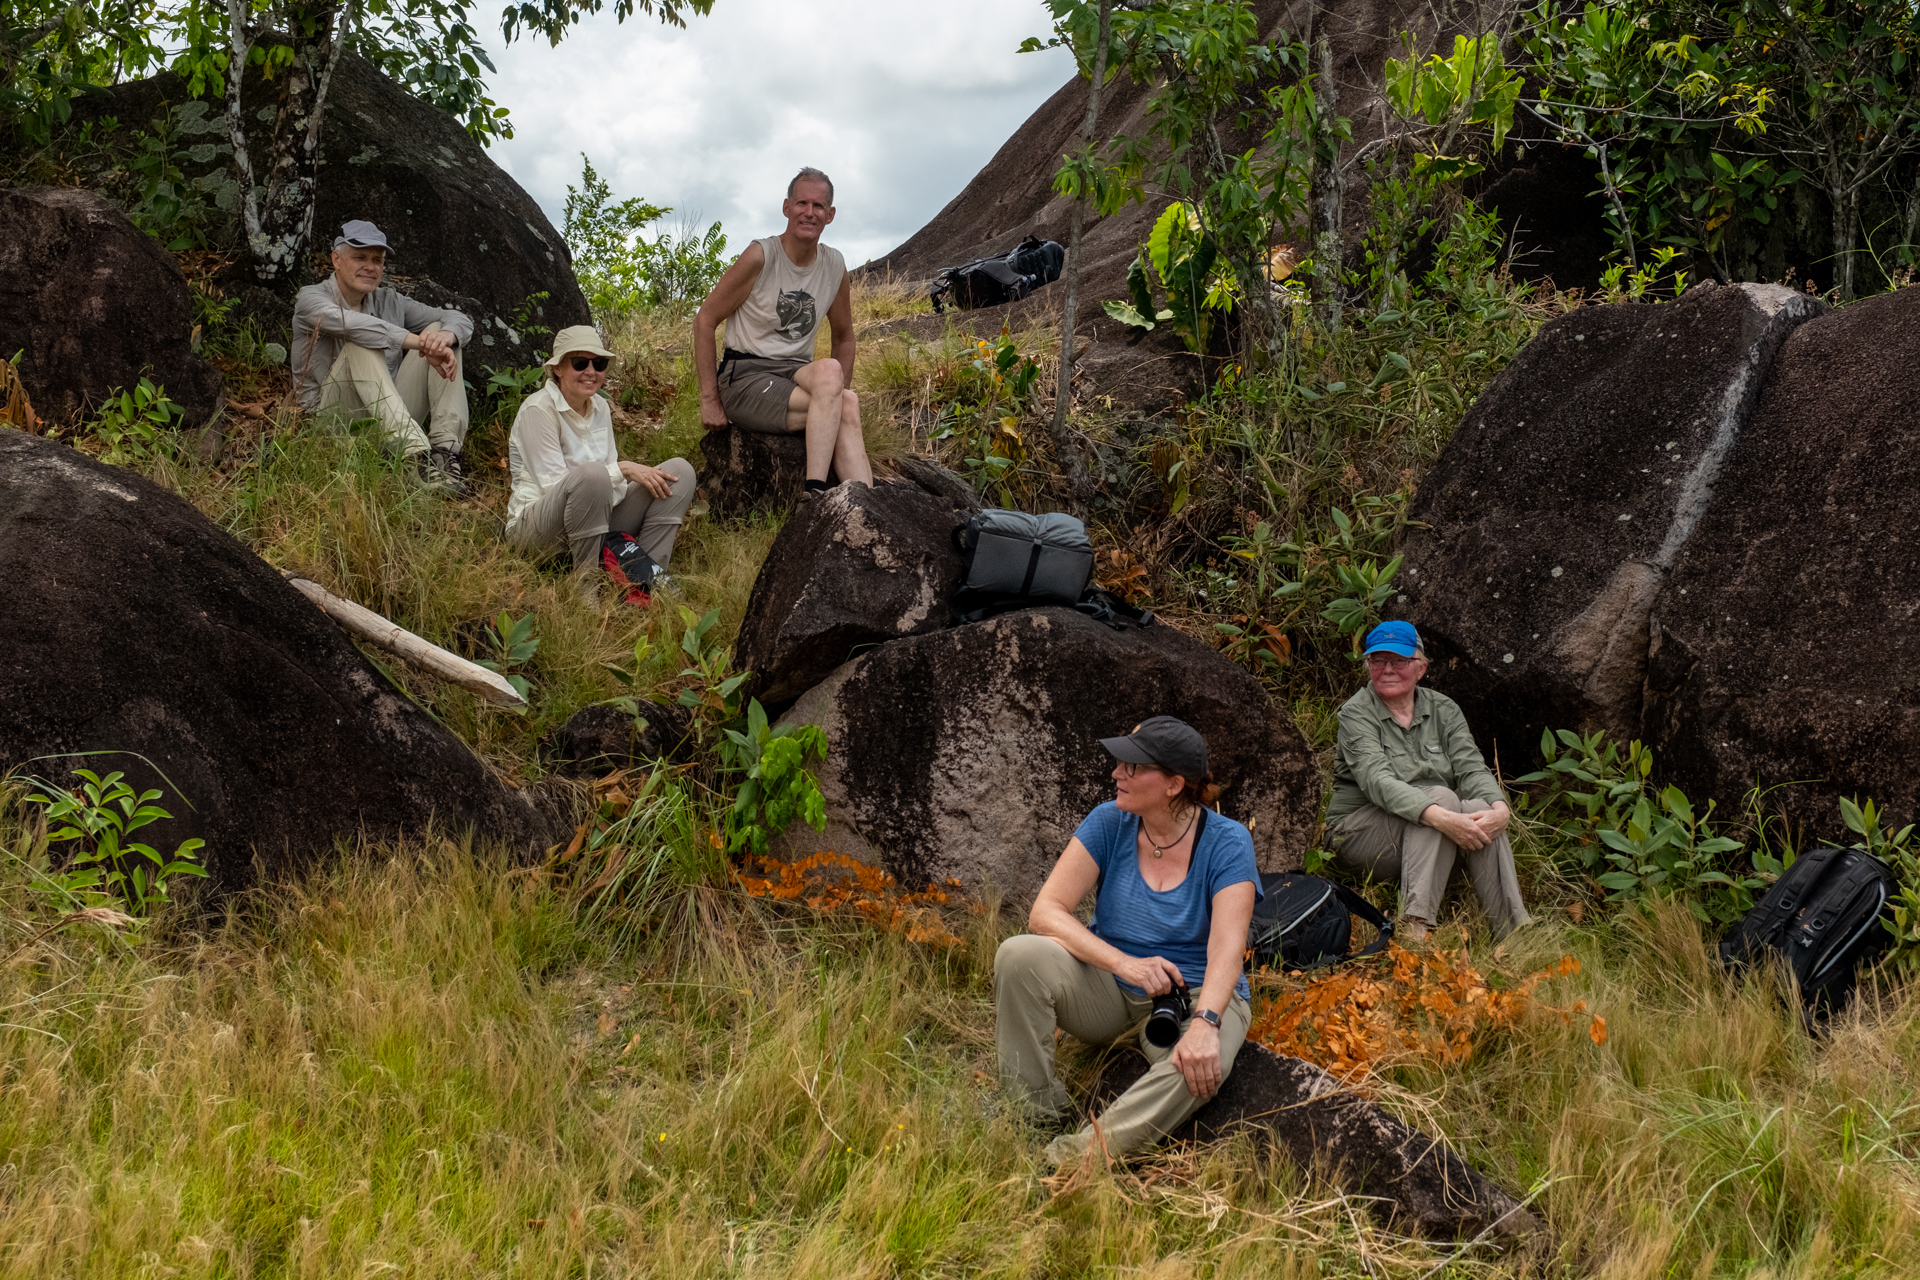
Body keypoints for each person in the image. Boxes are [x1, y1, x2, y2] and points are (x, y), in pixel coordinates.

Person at [995, 717, 1260, 1166]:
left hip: (1194, 992)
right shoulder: (1109, 821)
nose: (1117, 774)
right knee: (1017, 955)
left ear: (1174, 784)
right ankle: (1033, 1111)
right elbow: (1045, 912)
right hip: (1110, 987)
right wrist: (1125, 965)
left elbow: (1227, 950)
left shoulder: (1227, 842)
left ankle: (1068, 1161)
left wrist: (1206, 1023)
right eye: (1120, 763)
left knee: (1196, 1068)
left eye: (1133, 767)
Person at [1326, 621, 1532, 942]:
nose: (1388, 669)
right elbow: (1377, 781)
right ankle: (1415, 928)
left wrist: (1500, 810)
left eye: (1400, 661)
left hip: (1425, 836)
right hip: (1358, 835)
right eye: (1378, 660)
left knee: (1478, 806)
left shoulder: (1444, 710)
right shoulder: (1356, 714)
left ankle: (1513, 934)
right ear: (1368, 666)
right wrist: (1442, 816)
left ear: (1420, 668)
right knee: (1442, 798)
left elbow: (1472, 770)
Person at [693, 167, 874, 496]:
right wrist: (709, 399)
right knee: (842, 400)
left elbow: (844, 337)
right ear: (786, 207)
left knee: (844, 395)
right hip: (745, 375)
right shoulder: (761, 255)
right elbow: (705, 319)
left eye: (818, 206)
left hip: (794, 373)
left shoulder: (834, 265)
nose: (809, 212)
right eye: (802, 203)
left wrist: (833, 396)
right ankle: (815, 491)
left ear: (830, 214)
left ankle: (863, 505)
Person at [505, 324, 695, 607]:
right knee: (594, 476)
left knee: (680, 473)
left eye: (599, 363)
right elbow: (554, 487)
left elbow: (609, 485)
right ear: (557, 368)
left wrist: (628, 482)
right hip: (537, 532)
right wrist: (624, 470)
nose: (591, 371)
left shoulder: (601, 407)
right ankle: (586, 593)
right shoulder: (538, 410)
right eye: (580, 363)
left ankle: (647, 581)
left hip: (595, 520)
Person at [291, 220, 473, 494]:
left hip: (388, 419)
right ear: (336, 260)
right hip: (334, 424)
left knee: (439, 332)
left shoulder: (391, 301)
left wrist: (444, 339)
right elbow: (355, 326)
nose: (370, 266)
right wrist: (417, 341)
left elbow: (459, 318)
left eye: (377, 260)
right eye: (360, 257)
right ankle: (416, 456)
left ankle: (445, 455)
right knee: (362, 344)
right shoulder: (311, 298)